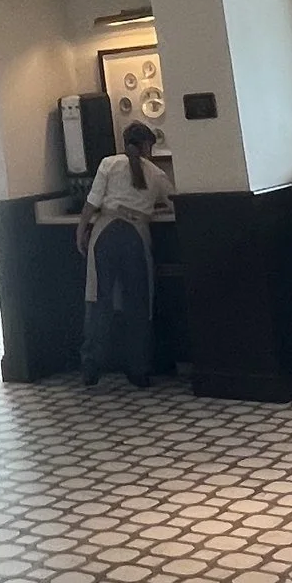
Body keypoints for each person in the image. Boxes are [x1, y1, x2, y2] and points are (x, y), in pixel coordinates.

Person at [78, 122, 172, 388]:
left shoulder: (108, 164)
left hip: (105, 230)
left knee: (98, 300)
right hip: (136, 234)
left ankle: (91, 366)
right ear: (147, 146)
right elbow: (175, 201)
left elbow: (92, 202)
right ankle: (139, 369)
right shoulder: (155, 173)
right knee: (139, 303)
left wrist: (81, 230)